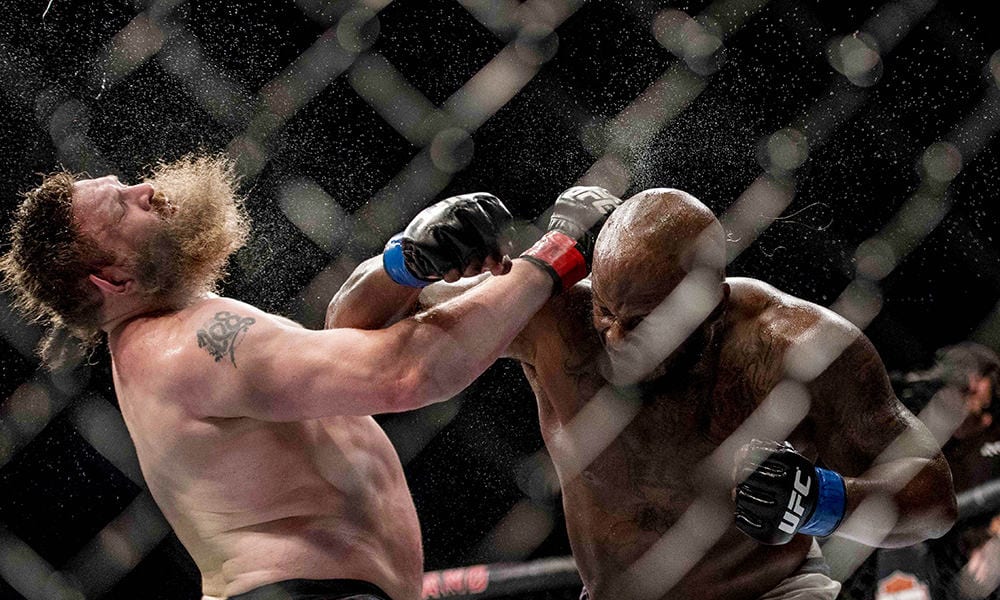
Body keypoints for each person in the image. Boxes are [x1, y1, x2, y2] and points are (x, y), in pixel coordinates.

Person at [0, 154, 621, 600]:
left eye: (127, 181)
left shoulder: (180, 331)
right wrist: (558, 251)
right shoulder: (184, 347)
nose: (147, 189)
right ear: (111, 281)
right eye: (124, 205)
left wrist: (404, 266)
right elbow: (404, 373)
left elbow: (345, 340)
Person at [327, 187, 958, 600]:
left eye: (647, 321)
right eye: (607, 309)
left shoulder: (790, 344)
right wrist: (410, 259)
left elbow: (934, 497)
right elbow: (349, 333)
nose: (617, 336)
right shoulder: (555, 319)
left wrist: (822, 501)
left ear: (710, 304)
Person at [894, 343, 1000, 599]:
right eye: (965, 380)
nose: (973, 387)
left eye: (980, 378)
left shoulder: (997, 430)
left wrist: (996, 537)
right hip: (937, 550)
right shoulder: (930, 435)